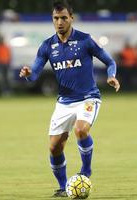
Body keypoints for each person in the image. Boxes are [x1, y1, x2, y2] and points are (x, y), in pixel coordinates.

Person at [19, 0, 120, 197]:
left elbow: (109, 61)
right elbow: (35, 73)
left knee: (81, 130)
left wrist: (111, 75)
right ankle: (65, 187)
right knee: (54, 147)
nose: (59, 22)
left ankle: (86, 171)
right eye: (56, 18)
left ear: (71, 18)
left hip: (88, 98)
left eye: (64, 18)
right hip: (64, 102)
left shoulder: (85, 40)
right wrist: (28, 73)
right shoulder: (47, 46)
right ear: (52, 20)